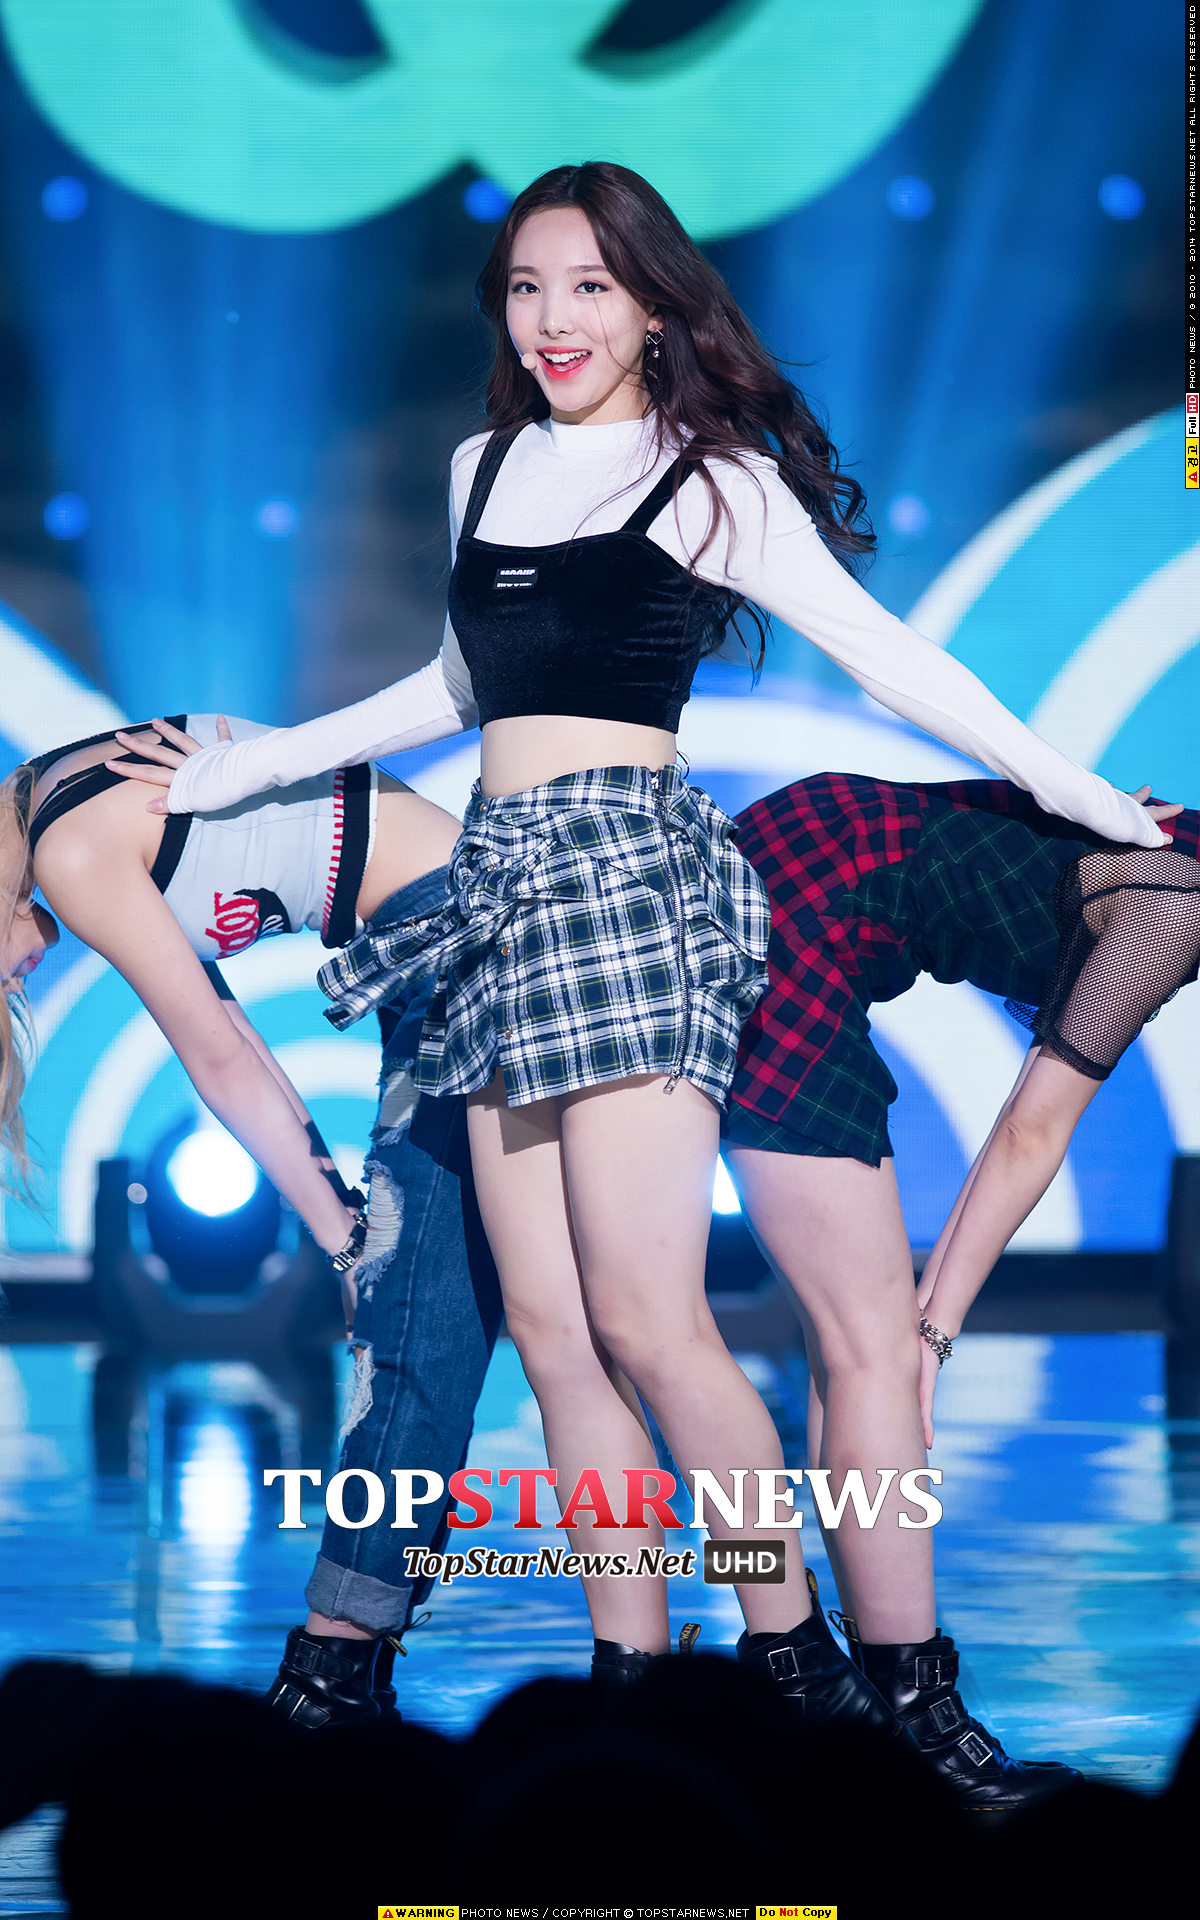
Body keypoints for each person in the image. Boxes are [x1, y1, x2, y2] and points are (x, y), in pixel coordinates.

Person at [106, 163, 1171, 1777]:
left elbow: (893, 664)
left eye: (590, 287)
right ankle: (632, 1681)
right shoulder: (481, 466)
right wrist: (243, 768)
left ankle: (789, 1654)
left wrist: (1080, 796)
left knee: (649, 1322)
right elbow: (459, 680)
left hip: (632, 890)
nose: (554, 320)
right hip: (497, 893)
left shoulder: (712, 480)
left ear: (657, 308)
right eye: (527, 288)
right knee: (551, 1334)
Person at [0, 714, 503, 1720]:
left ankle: (330, 1676)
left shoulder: (71, 848)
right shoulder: (57, 798)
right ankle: (364, 1663)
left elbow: (219, 1056)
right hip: (433, 942)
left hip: (455, 940)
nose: (16, 981)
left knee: (417, 1328)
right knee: (499, 1318)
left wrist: (351, 1246)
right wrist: (345, 1230)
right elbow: (234, 1035)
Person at [723, 769, 1196, 1804]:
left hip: (793, 859)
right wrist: (932, 1336)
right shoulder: (1178, 903)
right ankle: (912, 1714)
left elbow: (956, 815)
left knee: (851, 1353)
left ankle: (852, 1689)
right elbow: (1029, 1133)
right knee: (877, 1356)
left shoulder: (1169, 845)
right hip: (794, 921)